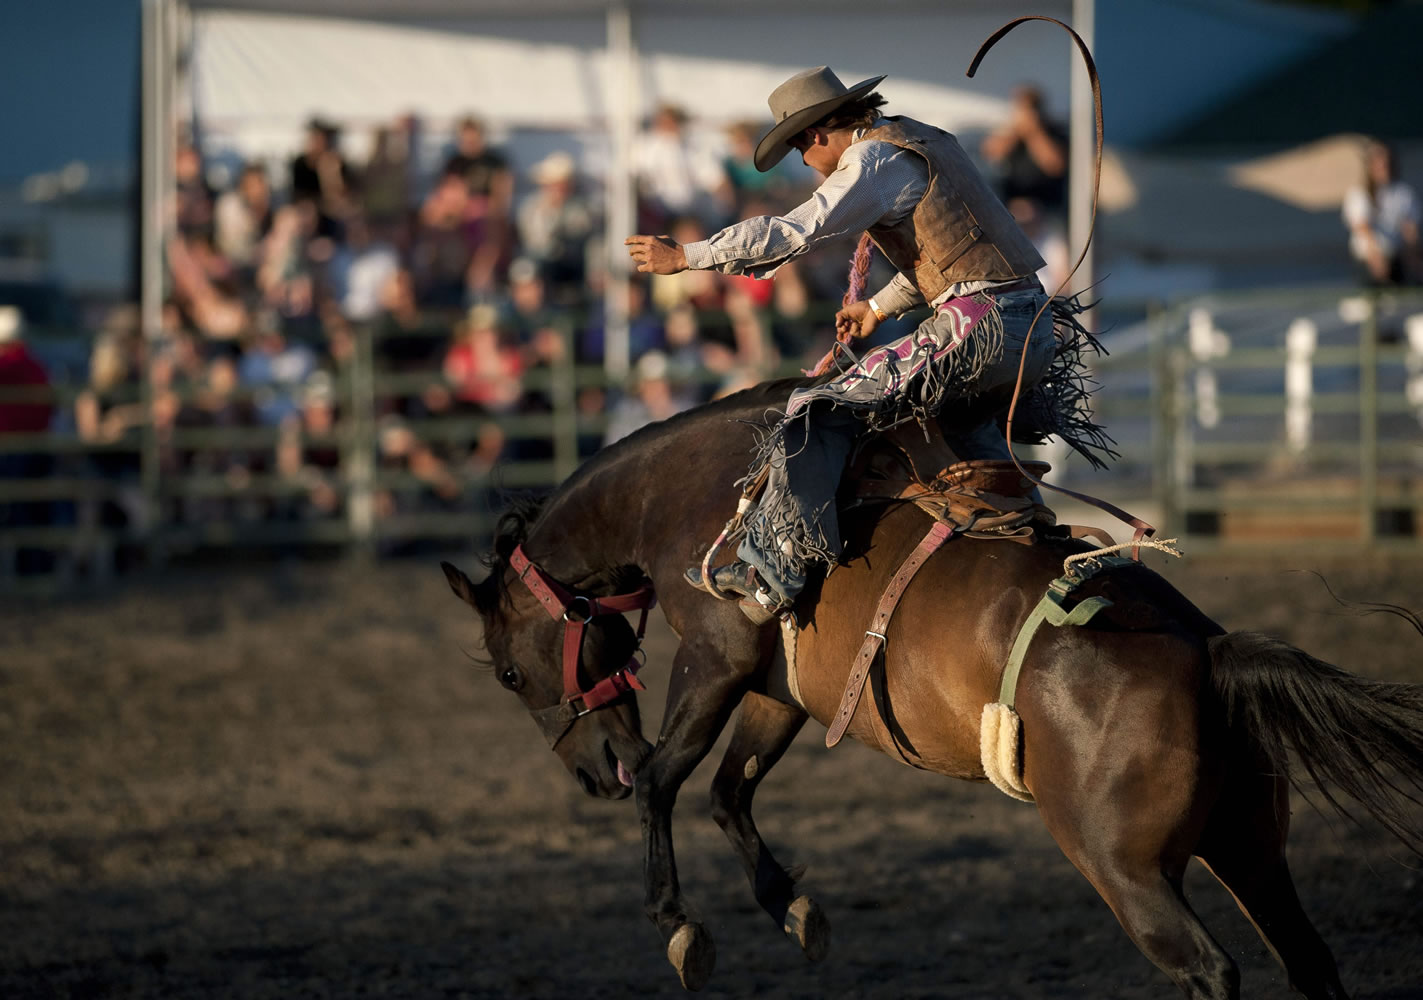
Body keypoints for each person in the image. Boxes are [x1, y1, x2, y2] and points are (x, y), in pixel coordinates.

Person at [625, 66, 1098, 619]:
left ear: (818, 134)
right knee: (969, 427)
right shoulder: (922, 140)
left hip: (980, 327)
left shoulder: (871, 159)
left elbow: (794, 231)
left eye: (800, 147)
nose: (804, 162)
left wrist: (688, 256)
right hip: (1027, 327)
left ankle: (774, 569)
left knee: (813, 409)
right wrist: (876, 307)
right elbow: (950, 257)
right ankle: (1039, 540)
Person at [979, 84, 1068, 220]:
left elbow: (1055, 166)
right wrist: (1017, 131)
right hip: (1012, 206)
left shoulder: (1055, 134)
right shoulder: (1011, 133)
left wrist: (1034, 133)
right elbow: (990, 153)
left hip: (1047, 209)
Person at [1342, 139, 1421, 287]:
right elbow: (1362, 227)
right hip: (1368, 259)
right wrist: (1375, 256)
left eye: (1386, 162)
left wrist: (1413, 256)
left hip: (1396, 257)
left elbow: (1410, 229)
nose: (1383, 167)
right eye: (1378, 163)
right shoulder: (1360, 194)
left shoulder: (1403, 193)